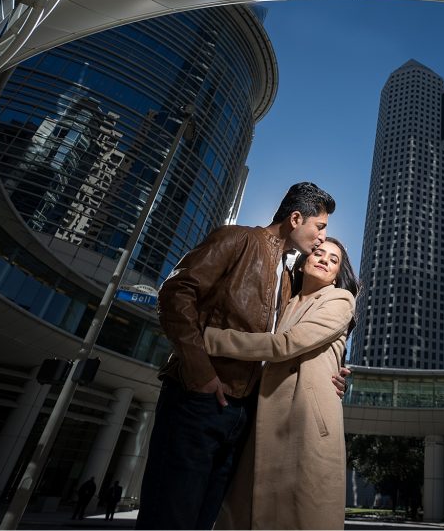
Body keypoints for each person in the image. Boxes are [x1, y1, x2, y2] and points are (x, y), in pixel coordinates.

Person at [136, 182, 348, 529]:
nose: (322, 239)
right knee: (170, 517)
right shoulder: (236, 239)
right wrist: (201, 371)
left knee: (205, 520)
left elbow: (288, 344)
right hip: (198, 399)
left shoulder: (289, 282)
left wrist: (332, 374)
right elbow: (175, 293)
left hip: (242, 414)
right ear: (296, 218)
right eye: (320, 227)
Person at [204, 236, 358, 529]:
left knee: (301, 511)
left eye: (333, 259)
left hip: (304, 418)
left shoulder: (339, 299)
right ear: (302, 265)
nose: (324, 259)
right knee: (245, 510)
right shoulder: (284, 303)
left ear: (338, 274)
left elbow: (284, 345)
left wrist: (211, 338)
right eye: (318, 253)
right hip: (264, 412)